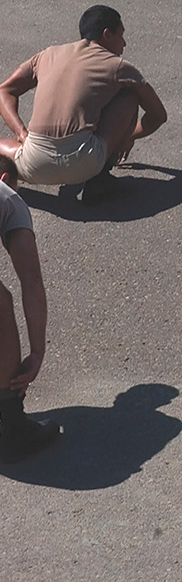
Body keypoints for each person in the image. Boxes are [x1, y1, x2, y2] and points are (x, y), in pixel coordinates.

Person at [0, 5, 167, 197]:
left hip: (35, 165)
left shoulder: (47, 55)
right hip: (86, 162)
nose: (124, 44)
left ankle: (6, 190)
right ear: (107, 35)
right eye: (121, 35)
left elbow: (5, 90)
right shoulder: (120, 67)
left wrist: (21, 132)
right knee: (129, 97)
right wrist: (129, 137)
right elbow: (158, 115)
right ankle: (100, 179)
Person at [0, 154, 59, 463]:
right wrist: (36, 353)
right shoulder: (7, 195)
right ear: (6, 179)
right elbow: (31, 280)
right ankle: (11, 424)